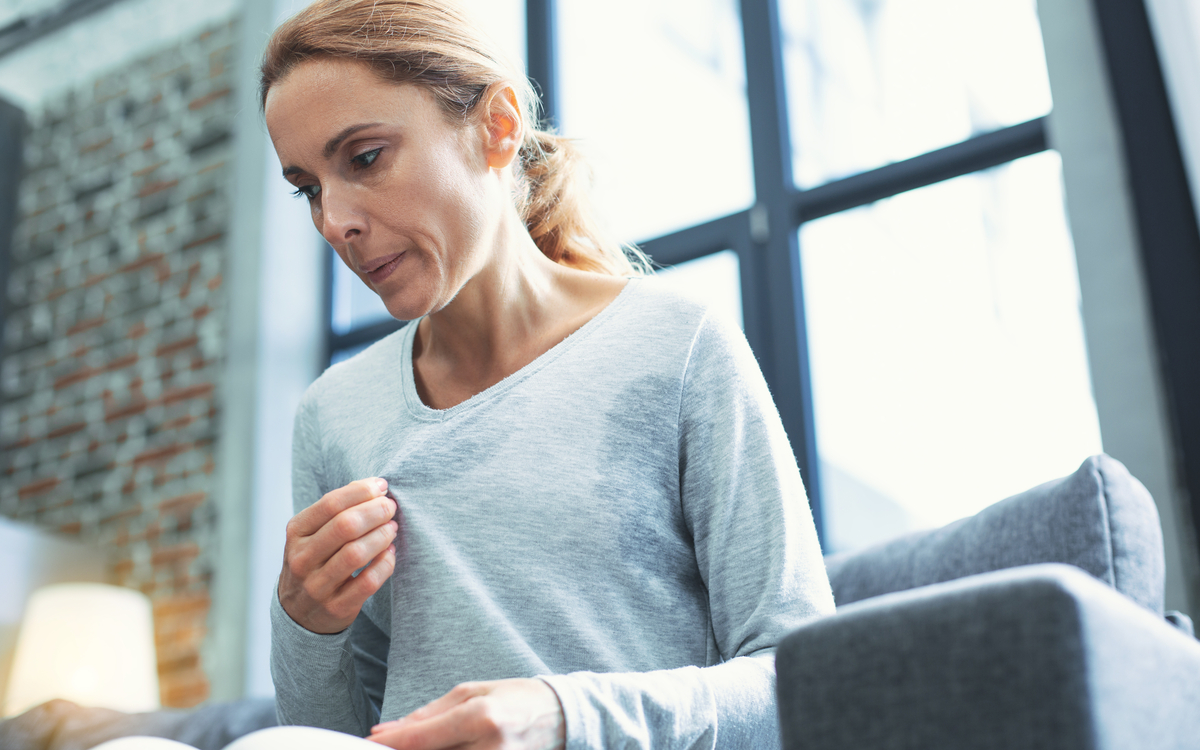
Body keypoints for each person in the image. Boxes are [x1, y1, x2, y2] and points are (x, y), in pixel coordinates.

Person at [260, 0, 835, 748]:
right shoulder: (333, 415)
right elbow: (328, 738)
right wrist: (303, 624)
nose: (335, 221)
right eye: (308, 188)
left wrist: (568, 719)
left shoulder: (676, 344)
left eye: (365, 159)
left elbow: (806, 682)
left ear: (496, 127)